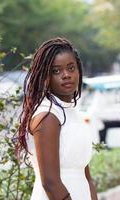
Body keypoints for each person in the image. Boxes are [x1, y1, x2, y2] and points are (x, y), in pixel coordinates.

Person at [15, 37, 98, 200]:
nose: (66, 75)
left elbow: (86, 175)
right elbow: (50, 183)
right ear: (45, 76)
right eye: (56, 71)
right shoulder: (47, 116)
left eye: (71, 68)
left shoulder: (73, 112)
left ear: (79, 70)